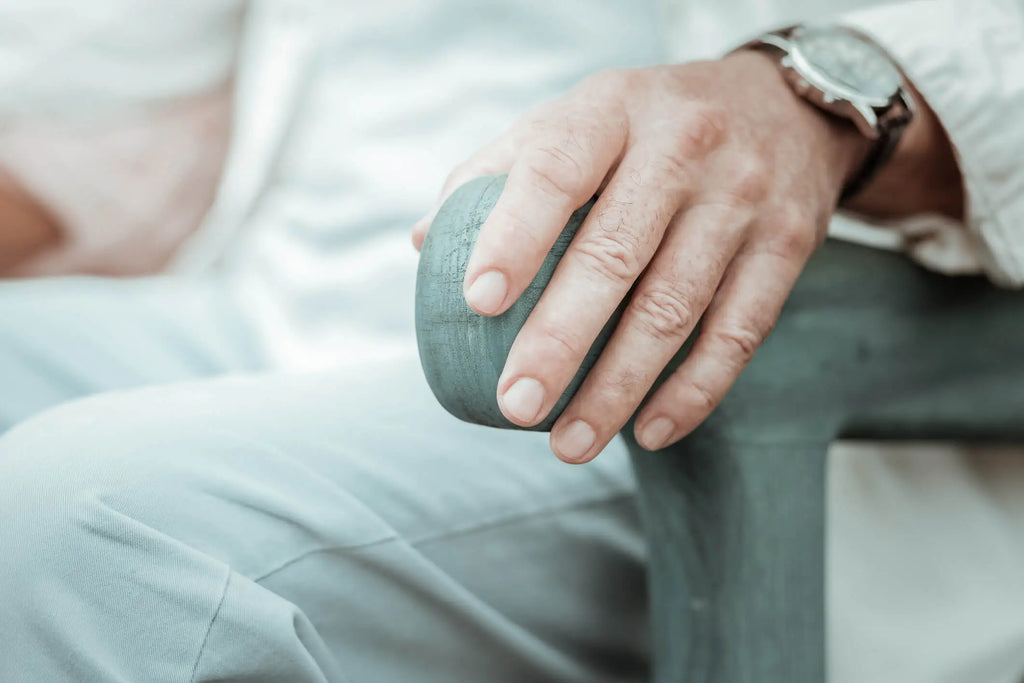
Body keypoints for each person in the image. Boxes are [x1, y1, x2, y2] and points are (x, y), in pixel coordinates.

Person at [1, 1, 1023, 682]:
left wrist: (825, 94)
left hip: (655, 370)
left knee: (85, 522)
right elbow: (96, 123)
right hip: (271, 294)